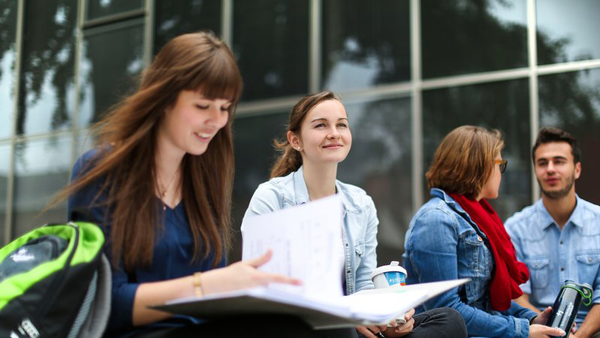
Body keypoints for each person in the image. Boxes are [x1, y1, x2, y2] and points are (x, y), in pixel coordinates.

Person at [59, 32, 356, 338]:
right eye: (203, 106)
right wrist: (208, 285)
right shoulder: (102, 171)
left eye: (225, 108)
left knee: (332, 328)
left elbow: (215, 296)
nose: (216, 120)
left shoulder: (202, 180)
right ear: (163, 100)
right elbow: (105, 304)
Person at [243, 91, 468, 338]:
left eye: (341, 124)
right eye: (320, 125)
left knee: (447, 320)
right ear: (295, 140)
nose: (334, 133)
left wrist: (384, 320)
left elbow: (363, 285)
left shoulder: (361, 203)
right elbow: (260, 288)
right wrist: (347, 317)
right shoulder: (271, 198)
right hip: (299, 327)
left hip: (350, 326)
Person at [402, 125, 567, 338]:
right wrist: (523, 331)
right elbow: (448, 311)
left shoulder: (478, 217)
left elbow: (486, 301)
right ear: (478, 166)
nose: (501, 172)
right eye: (500, 164)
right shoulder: (436, 220)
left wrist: (532, 318)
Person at [505, 127, 600, 338]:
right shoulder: (515, 229)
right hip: (537, 331)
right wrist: (550, 331)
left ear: (577, 169)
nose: (550, 169)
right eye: (542, 163)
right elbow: (516, 295)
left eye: (559, 161)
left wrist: (580, 336)